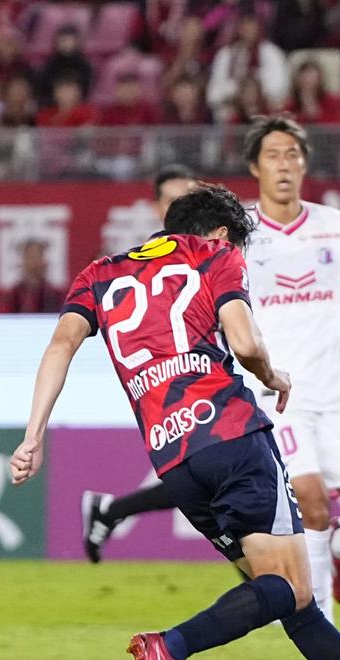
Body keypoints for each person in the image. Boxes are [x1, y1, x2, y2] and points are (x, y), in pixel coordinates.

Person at [9, 183, 340, 660]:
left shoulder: (99, 273)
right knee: (292, 588)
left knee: (283, 596)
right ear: (223, 233)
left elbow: (59, 347)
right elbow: (245, 342)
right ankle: (170, 647)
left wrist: (33, 435)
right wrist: (275, 379)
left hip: (174, 460)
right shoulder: (214, 255)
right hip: (232, 434)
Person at [241, 117, 340, 621]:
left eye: (293, 154)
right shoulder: (239, 236)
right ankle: (323, 630)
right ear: (255, 167)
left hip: (339, 396)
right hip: (278, 395)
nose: (284, 164)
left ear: (305, 163)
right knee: (309, 503)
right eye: (273, 155)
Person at [81, 166, 199, 562]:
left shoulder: (220, 252)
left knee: (207, 487)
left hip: (222, 385)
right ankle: (275, 595)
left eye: (189, 197)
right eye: (172, 200)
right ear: (156, 207)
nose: (182, 208)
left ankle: (111, 511)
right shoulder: (149, 261)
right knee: (210, 485)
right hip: (178, 389)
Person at [0, 240, 61, 313]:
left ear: (43, 261)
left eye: (37, 257)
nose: (33, 263)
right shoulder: (12, 295)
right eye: (30, 257)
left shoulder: (53, 295)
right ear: (22, 261)